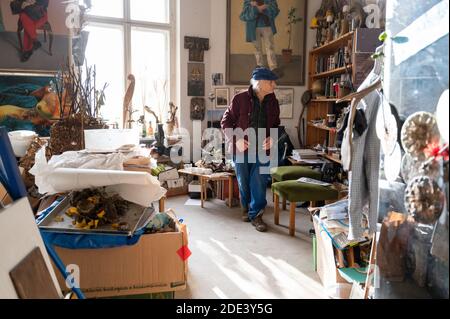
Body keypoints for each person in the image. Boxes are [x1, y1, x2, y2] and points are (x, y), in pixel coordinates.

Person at [221, 67, 280, 232]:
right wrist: (236, 139)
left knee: (260, 182)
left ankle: (257, 215)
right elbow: (225, 122)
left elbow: (276, 124)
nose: (274, 85)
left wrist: (272, 138)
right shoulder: (239, 99)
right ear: (260, 83)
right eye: (271, 81)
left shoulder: (273, 101)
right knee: (243, 182)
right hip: (241, 149)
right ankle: (245, 207)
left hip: (262, 150)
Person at [240, 0, 280, 73]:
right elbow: (245, 13)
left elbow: (275, 10)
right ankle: (260, 65)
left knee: (270, 47)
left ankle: (273, 67)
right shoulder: (248, 1)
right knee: (257, 47)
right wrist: (257, 9)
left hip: (267, 25)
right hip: (253, 27)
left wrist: (265, 9)